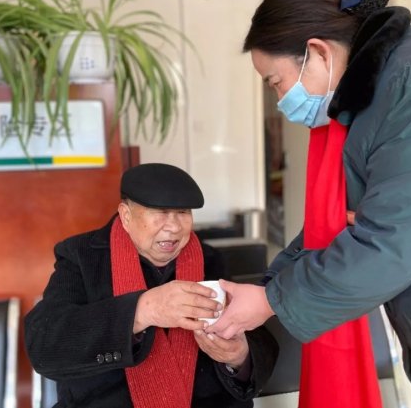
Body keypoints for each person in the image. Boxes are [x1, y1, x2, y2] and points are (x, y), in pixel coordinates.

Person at [208, 0, 411, 408]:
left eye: (276, 83)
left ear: (318, 52)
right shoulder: (373, 95)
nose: (282, 100)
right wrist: (269, 286)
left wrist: (270, 301)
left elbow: (389, 243)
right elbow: (335, 223)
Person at [25, 163, 278, 408]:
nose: (174, 227)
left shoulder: (209, 258)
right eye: (160, 212)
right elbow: (44, 346)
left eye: (183, 213)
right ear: (126, 215)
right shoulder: (81, 256)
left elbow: (258, 339)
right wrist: (143, 311)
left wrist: (238, 356)